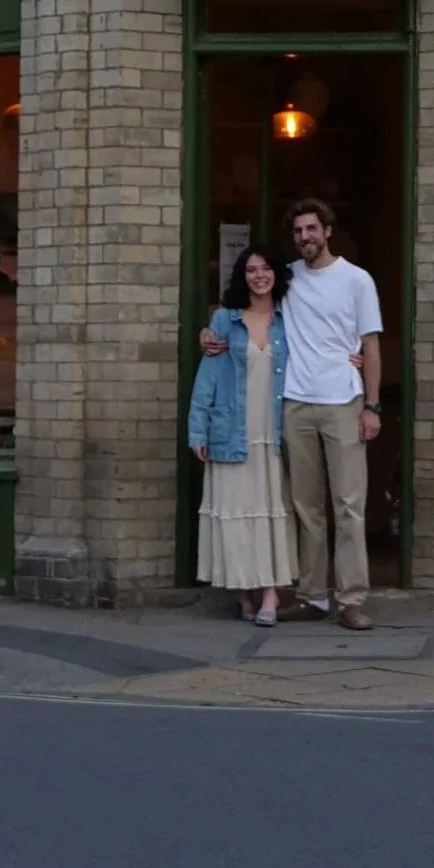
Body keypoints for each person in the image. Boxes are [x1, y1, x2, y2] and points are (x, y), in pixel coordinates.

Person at [200, 197, 383, 631]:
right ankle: (313, 596)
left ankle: (352, 600)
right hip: (294, 403)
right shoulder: (288, 279)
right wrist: (211, 332)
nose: (305, 237)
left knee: (349, 505)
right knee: (304, 507)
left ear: (328, 231)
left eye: (312, 229)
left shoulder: (357, 280)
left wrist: (372, 405)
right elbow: (252, 311)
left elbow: (370, 345)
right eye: (298, 231)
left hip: (344, 401)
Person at [188, 242, 296, 625]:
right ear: (242, 277)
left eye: (266, 268)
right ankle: (242, 592)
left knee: (271, 514)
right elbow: (208, 378)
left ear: (277, 274)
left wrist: (352, 355)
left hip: (275, 432)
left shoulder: (291, 317)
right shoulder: (224, 321)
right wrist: (197, 428)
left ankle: (270, 594)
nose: (259, 275)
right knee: (234, 515)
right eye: (251, 270)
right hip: (231, 431)